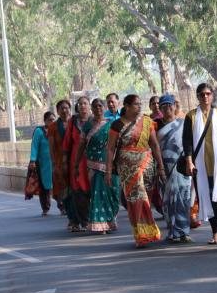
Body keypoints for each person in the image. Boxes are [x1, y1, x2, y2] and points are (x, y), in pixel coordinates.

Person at [105, 94, 166, 248]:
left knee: (146, 198)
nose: (139, 107)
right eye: (136, 104)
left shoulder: (147, 122)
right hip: (127, 168)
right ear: (126, 106)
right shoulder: (117, 125)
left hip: (147, 165)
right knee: (136, 199)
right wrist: (108, 171)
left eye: (140, 104)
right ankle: (142, 233)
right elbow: (111, 149)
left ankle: (144, 231)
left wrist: (161, 167)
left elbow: (155, 145)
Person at [182, 83, 217, 245]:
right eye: (201, 94)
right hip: (201, 166)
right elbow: (187, 142)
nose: (205, 97)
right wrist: (189, 162)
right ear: (197, 97)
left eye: (208, 94)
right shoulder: (191, 116)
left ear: (212, 95)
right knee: (208, 199)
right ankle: (215, 233)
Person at [74, 98, 120, 234]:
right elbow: (81, 145)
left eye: (100, 106)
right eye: (95, 106)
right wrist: (76, 165)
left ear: (104, 107)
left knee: (113, 193)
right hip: (93, 164)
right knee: (98, 193)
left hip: (109, 163)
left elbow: (118, 143)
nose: (98, 108)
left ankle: (110, 220)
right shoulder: (87, 126)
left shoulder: (112, 124)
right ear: (92, 109)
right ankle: (101, 223)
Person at [157, 94, 192, 243]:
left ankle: (184, 232)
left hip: (182, 167)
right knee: (168, 201)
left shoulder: (184, 124)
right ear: (160, 109)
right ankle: (172, 231)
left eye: (169, 105)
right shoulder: (155, 126)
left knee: (184, 199)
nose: (167, 108)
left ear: (174, 106)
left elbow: (190, 145)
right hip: (164, 168)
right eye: (163, 106)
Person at [63, 96, 92, 231]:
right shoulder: (73, 122)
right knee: (78, 191)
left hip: (93, 161)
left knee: (94, 190)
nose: (82, 106)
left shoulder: (95, 121)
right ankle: (83, 220)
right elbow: (67, 143)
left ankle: (96, 219)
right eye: (80, 104)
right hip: (77, 161)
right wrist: (64, 163)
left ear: (89, 106)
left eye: (85, 103)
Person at [29, 111, 57, 216]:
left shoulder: (58, 130)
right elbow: (35, 146)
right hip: (43, 164)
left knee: (59, 184)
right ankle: (45, 207)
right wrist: (32, 160)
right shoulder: (39, 132)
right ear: (45, 121)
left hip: (56, 162)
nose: (52, 122)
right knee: (44, 186)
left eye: (53, 119)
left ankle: (62, 206)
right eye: (50, 120)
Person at [48, 100, 71, 217]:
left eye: (66, 108)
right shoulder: (53, 127)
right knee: (61, 186)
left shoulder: (75, 123)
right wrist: (54, 164)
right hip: (59, 162)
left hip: (74, 160)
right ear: (57, 111)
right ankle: (64, 206)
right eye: (61, 108)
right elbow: (51, 147)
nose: (64, 110)